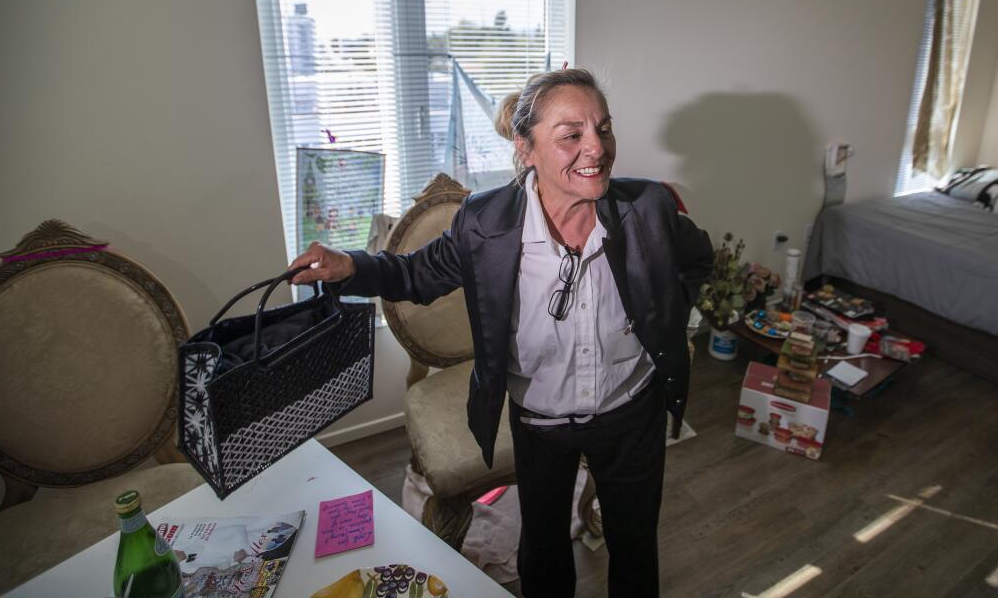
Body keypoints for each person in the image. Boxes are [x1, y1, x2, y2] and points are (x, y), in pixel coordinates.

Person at [289, 68, 713, 597]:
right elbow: (414, 276)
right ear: (526, 147)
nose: (596, 149)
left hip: (632, 413)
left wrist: (663, 315)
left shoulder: (648, 207)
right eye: (571, 135)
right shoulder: (484, 222)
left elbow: (699, 260)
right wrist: (350, 266)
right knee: (543, 547)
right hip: (541, 422)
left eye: (603, 129)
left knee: (634, 545)